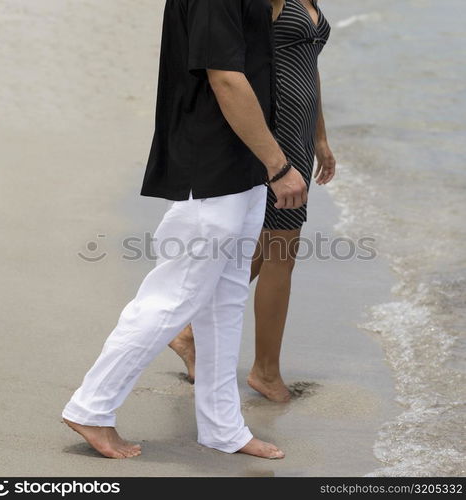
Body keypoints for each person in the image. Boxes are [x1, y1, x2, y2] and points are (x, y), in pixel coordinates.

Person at [61, 0, 307, 460]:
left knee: (225, 298)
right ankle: (91, 406)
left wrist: (267, 162)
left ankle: (222, 426)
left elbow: (256, 53)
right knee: (173, 296)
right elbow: (226, 77)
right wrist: (279, 165)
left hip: (244, 162)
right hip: (212, 164)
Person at [170, 0, 336, 402]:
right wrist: (273, 154)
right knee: (281, 249)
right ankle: (265, 371)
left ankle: (188, 332)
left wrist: (320, 138)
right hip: (272, 129)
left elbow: (308, 66)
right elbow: (242, 62)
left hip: (299, 131)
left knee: (268, 244)